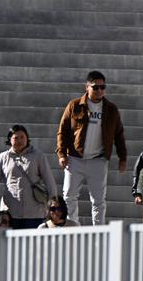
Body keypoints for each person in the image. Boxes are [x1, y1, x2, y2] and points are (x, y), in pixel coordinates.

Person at [55, 71, 129, 225]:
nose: (99, 91)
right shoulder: (74, 105)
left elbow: (119, 134)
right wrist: (62, 153)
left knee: (98, 201)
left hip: (98, 160)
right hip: (75, 158)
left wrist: (123, 157)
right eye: (95, 87)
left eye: (103, 87)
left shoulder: (111, 109)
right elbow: (63, 131)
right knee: (69, 197)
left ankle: (98, 233)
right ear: (87, 87)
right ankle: (72, 229)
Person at [0, 125, 59, 229]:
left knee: (32, 244)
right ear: (10, 140)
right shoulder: (4, 157)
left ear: (27, 138)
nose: (19, 140)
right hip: (10, 212)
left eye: (22, 137)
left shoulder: (37, 155)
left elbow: (49, 181)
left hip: (35, 212)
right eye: (16, 138)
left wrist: (53, 205)